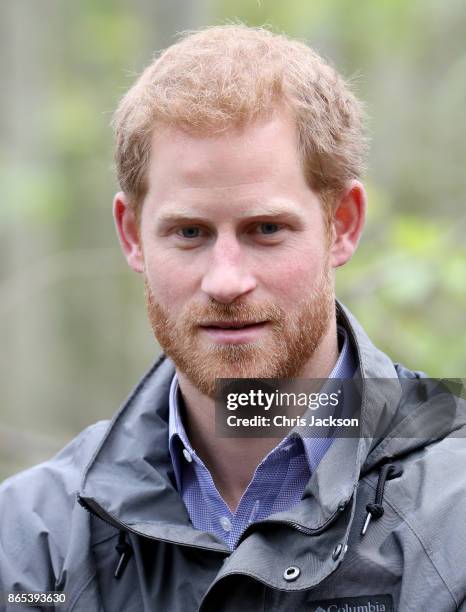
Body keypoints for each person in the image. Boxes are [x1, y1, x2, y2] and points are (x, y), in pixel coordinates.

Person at [1, 24, 465, 612]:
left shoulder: (454, 510)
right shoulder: (28, 542)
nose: (226, 281)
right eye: (189, 232)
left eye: (266, 229)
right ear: (131, 234)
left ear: (342, 224)